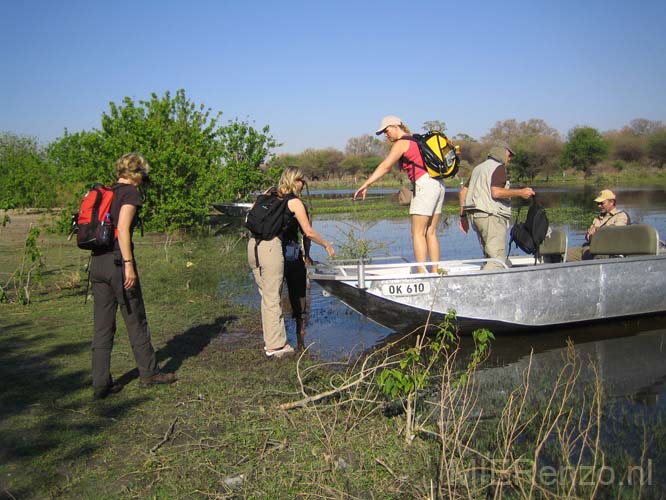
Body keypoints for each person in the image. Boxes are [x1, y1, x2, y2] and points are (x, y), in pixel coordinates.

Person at [90, 153, 176, 400]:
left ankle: (100, 383)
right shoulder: (129, 194)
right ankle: (149, 373)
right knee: (135, 319)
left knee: (102, 325)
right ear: (137, 173)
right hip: (117, 263)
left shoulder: (107, 192)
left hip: (97, 263)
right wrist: (128, 264)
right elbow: (122, 229)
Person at [248, 166, 335, 357]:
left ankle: (273, 341)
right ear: (295, 181)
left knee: (268, 296)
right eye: (302, 181)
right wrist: (326, 245)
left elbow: (252, 218)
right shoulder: (295, 203)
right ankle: (283, 345)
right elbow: (308, 232)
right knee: (284, 299)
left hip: (255, 247)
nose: (304, 184)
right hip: (279, 251)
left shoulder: (268, 194)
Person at [354, 116, 446, 273]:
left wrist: (366, 184)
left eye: (386, 130)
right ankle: (435, 271)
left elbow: (385, 166)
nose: (385, 134)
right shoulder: (416, 140)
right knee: (430, 232)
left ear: (395, 126)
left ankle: (422, 274)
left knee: (417, 233)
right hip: (438, 184)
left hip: (424, 185)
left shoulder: (402, 143)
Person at [458, 143, 535, 269]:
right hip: (491, 216)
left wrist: (462, 216)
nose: (509, 159)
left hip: (476, 217)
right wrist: (520, 192)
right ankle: (484, 286)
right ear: (501, 153)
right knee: (497, 260)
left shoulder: (478, 168)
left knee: (490, 257)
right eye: (509, 156)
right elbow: (496, 192)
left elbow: (463, 192)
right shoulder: (499, 168)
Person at [566, 189, 630, 261]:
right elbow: (588, 236)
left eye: (601, 203)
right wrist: (590, 234)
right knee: (563, 255)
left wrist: (596, 230)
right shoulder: (599, 217)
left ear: (611, 202)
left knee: (597, 256)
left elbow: (615, 232)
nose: (599, 206)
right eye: (597, 203)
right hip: (588, 248)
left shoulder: (621, 215)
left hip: (606, 250)